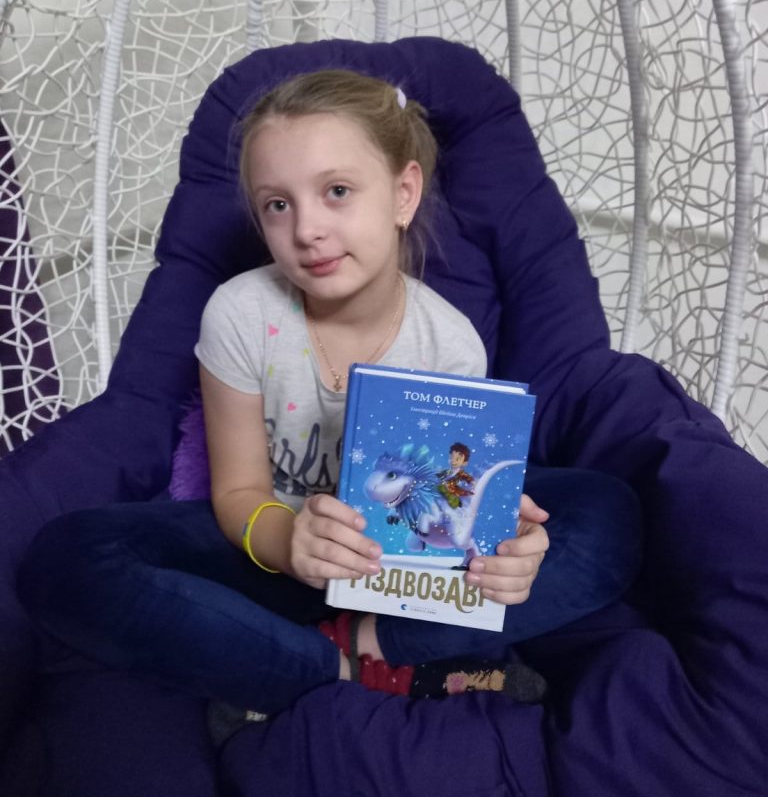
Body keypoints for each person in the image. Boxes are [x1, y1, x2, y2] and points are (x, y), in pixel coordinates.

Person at [18, 70, 642, 723]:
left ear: (403, 194)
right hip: (272, 556)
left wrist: (503, 547)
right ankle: (357, 671)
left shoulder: (449, 344)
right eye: (277, 205)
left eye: (337, 192)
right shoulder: (240, 313)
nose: (307, 229)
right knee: (67, 556)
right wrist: (290, 543)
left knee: (607, 512)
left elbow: (439, 528)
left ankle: (343, 653)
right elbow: (238, 492)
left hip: (392, 576)